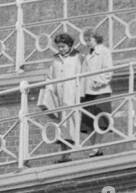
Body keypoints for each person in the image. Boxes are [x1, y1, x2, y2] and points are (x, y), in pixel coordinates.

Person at [37, 33, 84, 162]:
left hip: (73, 97)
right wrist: (49, 90)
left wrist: (80, 93)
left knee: (72, 125)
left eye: (63, 46)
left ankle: (73, 153)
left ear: (69, 45)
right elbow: (51, 77)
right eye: (59, 47)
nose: (61, 49)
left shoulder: (78, 58)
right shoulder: (55, 60)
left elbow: (83, 76)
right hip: (60, 98)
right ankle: (64, 154)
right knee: (62, 127)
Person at [79, 28, 113, 156]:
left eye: (90, 40)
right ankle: (94, 147)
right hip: (87, 91)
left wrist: (100, 81)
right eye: (86, 40)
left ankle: (97, 146)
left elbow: (108, 70)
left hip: (99, 90)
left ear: (96, 39)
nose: (88, 43)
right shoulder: (87, 54)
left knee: (101, 120)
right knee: (88, 122)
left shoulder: (104, 51)